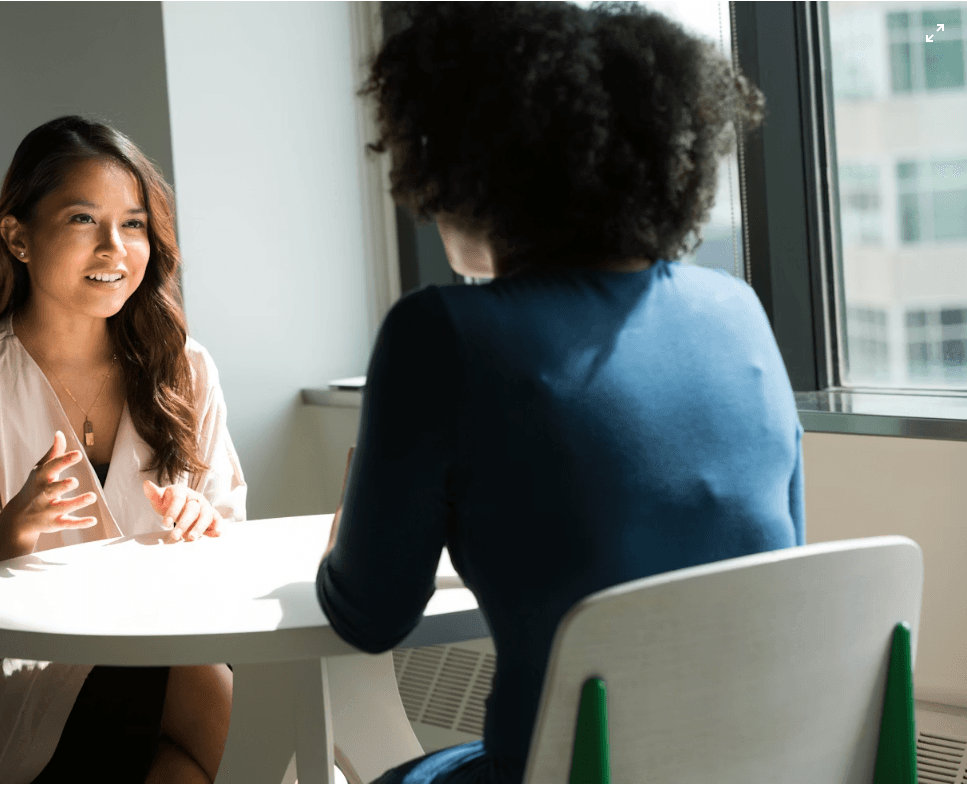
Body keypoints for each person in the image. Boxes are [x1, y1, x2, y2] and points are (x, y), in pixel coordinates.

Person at [316, 3, 802, 783]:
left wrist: (352, 532)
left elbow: (370, 617)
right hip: (760, 767)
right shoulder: (736, 312)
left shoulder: (440, 333)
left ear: (470, 166)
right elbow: (774, 567)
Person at [0, 115, 246, 784]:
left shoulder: (186, 370)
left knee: (204, 714)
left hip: (166, 649)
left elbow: (231, 548)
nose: (115, 248)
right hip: (7, 679)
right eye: (82, 220)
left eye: (133, 224)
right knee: (219, 705)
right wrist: (8, 538)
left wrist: (203, 523)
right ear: (18, 237)